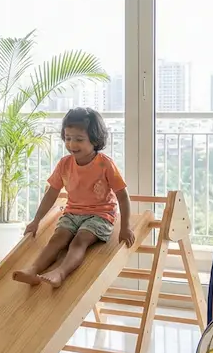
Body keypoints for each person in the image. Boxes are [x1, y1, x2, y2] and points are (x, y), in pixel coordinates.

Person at [11, 107, 135, 289]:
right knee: (57, 239)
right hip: (72, 213)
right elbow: (51, 193)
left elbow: (122, 196)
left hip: (100, 215)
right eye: (68, 138)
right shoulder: (64, 164)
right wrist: (36, 221)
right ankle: (33, 270)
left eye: (79, 139)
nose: (72, 144)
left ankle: (60, 272)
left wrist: (125, 227)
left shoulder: (105, 164)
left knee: (79, 241)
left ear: (95, 139)